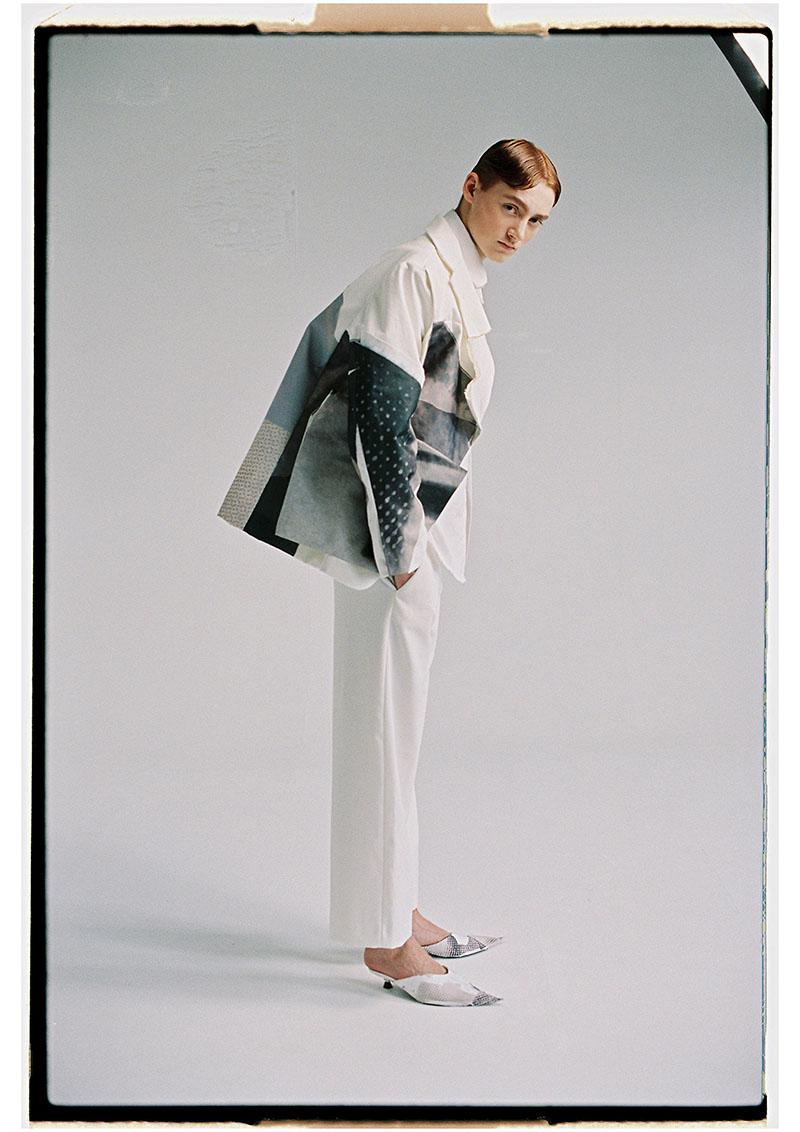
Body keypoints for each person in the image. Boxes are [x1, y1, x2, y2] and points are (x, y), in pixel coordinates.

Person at [218, 139, 561, 1007]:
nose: (519, 232)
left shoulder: (455, 277)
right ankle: (387, 945)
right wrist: (403, 557)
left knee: (392, 738)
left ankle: (394, 908)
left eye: (536, 221)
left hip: (415, 541)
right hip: (395, 549)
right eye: (510, 207)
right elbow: (378, 412)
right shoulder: (413, 271)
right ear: (471, 187)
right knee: (383, 738)